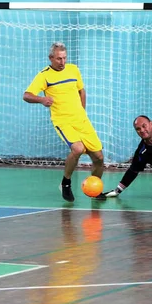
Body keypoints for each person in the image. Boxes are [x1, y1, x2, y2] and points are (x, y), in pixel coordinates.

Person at [23, 42, 105, 202]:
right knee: (78, 149)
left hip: (81, 120)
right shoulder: (44, 76)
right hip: (63, 121)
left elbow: (81, 90)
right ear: (51, 58)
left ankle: (94, 189)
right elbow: (26, 95)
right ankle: (66, 183)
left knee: (99, 157)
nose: (62, 62)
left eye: (64, 58)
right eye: (59, 59)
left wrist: (82, 111)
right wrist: (41, 99)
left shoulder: (73, 69)